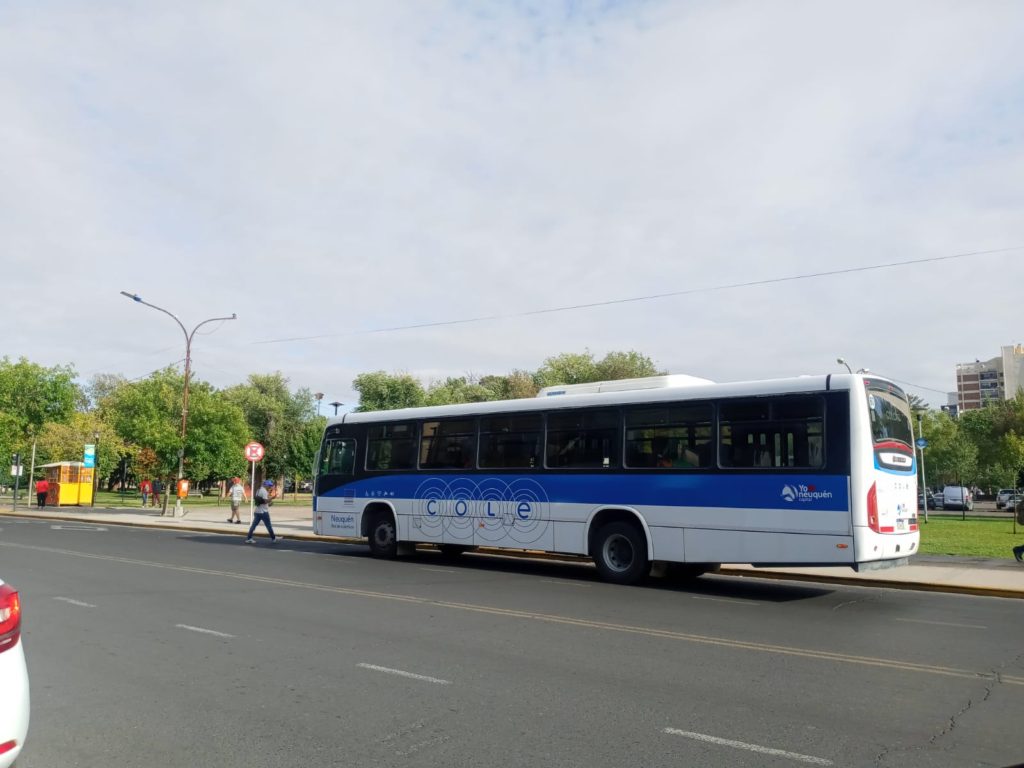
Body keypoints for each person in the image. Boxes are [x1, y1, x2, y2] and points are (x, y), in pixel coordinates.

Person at [245, 479, 282, 544]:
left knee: (253, 526)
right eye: (269, 486)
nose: (270, 487)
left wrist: (269, 502)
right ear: (266, 485)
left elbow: (261, 501)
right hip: (263, 512)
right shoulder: (264, 491)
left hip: (257, 511)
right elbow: (265, 501)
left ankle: (249, 538)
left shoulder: (258, 490)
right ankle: (273, 538)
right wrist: (272, 498)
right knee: (268, 526)